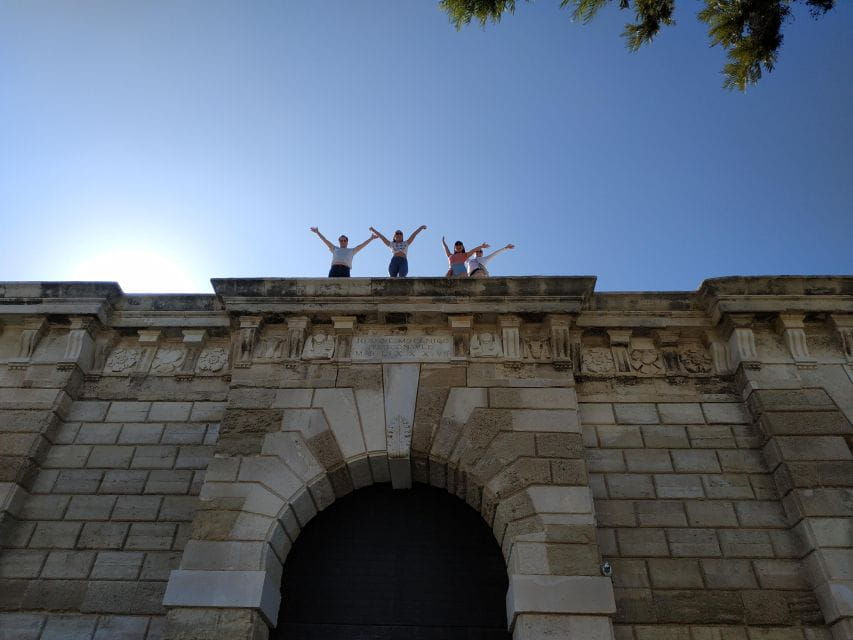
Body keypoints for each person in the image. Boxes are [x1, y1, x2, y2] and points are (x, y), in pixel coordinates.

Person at [310, 227, 378, 277]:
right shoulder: (334, 248)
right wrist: (317, 232)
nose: (343, 242)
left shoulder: (351, 251)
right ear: (339, 241)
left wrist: (371, 238)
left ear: (347, 242)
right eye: (341, 240)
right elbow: (325, 240)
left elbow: (362, 245)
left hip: (345, 270)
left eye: (344, 240)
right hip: (334, 269)